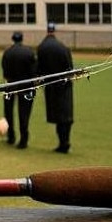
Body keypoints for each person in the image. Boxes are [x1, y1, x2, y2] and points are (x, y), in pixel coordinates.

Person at [37, 22, 74, 153]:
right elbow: (70, 68)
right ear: (55, 31)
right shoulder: (63, 47)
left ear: (47, 31)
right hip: (64, 86)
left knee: (57, 116)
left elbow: (39, 69)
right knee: (66, 115)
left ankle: (62, 143)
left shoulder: (42, 47)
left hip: (50, 87)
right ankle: (65, 141)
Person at [0, 31, 36, 149]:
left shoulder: (7, 52)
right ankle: (23, 139)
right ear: (22, 39)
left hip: (10, 84)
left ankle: (11, 137)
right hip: (26, 84)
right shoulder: (29, 52)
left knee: (9, 111)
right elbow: (34, 70)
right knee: (24, 113)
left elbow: (4, 70)